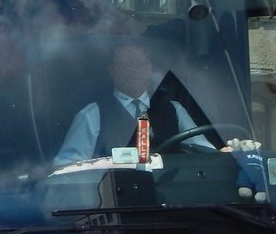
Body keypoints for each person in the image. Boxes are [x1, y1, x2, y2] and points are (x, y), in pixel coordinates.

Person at [53, 41, 218, 165]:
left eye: (138, 64)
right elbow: (66, 167)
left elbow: (204, 151)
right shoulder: (91, 115)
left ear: (149, 69)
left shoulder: (174, 110)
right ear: (112, 71)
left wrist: (222, 155)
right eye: (125, 65)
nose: (132, 71)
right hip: (114, 201)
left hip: (169, 202)